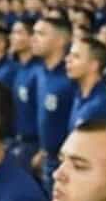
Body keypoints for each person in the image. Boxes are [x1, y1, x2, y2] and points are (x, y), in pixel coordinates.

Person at [31, 16, 76, 191]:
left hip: (65, 162)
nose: (34, 38)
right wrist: (42, 149)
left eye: (41, 34)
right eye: (34, 33)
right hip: (46, 158)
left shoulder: (71, 77)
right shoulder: (40, 72)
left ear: (61, 40)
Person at [6, 20, 41, 170]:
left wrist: (42, 149)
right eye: (12, 32)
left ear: (32, 38)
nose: (12, 37)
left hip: (33, 144)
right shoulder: (17, 68)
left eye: (19, 33)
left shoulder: (38, 71)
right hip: (15, 140)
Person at [65, 37, 106, 130]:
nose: (67, 59)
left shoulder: (103, 103)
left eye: (76, 56)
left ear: (94, 65)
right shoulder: (78, 94)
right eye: (69, 55)